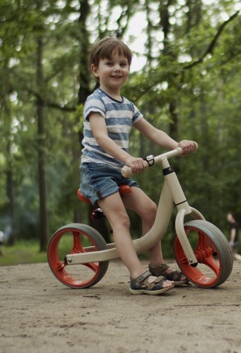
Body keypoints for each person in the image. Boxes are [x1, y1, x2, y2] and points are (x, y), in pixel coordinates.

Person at [80, 37, 196, 295]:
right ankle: (136, 275)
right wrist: (128, 158)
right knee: (120, 220)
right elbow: (100, 136)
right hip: (97, 170)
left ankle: (156, 266)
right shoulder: (96, 101)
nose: (117, 68)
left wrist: (179, 143)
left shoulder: (128, 105)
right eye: (109, 63)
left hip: (119, 171)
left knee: (151, 211)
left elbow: (153, 132)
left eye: (123, 63)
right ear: (95, 69)